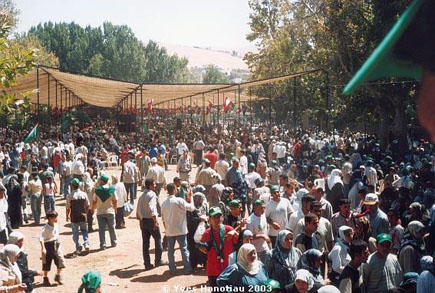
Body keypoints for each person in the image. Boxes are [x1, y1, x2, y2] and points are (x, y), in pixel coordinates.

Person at [161, 183, 195, 275]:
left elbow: (163, 219)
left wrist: (167, 229)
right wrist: (191, 198)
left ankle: (172, 269)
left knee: (170, 251)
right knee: (184, 249)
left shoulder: (164, 203)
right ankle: (187, 268)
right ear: (175, 190)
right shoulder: (179, 200)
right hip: (180, 229)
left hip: (170, 230)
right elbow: (192, 208)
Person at [199, 206, 238, 287]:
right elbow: (202, 247)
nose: (217, 219)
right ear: (209, 220)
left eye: (219, 217)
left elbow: (241, 243)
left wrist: (236, 234)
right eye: (214, 217)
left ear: (222, 218)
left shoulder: (229, 230)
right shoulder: (207, 233)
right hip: (213, 270)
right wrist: (202, 249)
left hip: (228, 269)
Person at [136, 178, 165, 270]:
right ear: (150, 186)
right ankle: (158, 261)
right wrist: (155, 221)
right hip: (151, 221)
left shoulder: (142, 196)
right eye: (154, 184)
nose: (155, 185)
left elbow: (138, 210)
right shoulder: (152, 195)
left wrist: (140, 221)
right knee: (158, 240)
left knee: (145, 244)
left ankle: (147, 264)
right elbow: (152, 208)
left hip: (143, 221)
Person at [39, 210, 65, 286]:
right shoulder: (45, 228)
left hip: (56, 245)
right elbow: (41, 238)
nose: (56, 219)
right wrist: (43, 248)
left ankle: (58, 276)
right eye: (54, 217)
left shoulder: (56, 225)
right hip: (48, 245)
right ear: (50, 218)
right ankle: (45, 278)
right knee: (47, 263)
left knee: (60, 261)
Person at [92, 174, 117, 250]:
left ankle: (103, 245)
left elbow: (94, 201)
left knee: (101, 229)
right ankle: (114, 242)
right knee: (112, 228)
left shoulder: (97, 190)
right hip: (110, 211)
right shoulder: (112, 189)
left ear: (102, 181)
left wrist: (93, 209)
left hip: (100, 212)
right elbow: (115, 200)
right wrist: (115, 209)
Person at [66, 178, 90, 255]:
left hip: (74, 216)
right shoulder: (84, 194)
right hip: (83, 215)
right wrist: (85, 212)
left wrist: (67, 216)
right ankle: (86, 243)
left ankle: (78, 246)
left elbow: (68, 208)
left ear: (72, 186)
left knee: (75, 233)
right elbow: (87, 205)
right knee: (84, 231)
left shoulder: (69, 196)